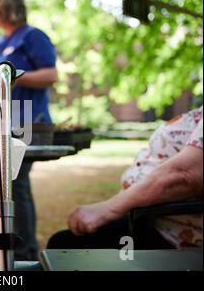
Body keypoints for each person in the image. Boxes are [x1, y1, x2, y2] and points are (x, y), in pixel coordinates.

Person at [0, 0, 58, 260]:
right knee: (6, 183)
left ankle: (24, 253)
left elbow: (50, 75)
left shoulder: (33, 37)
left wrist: (13, 77)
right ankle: (11, 251)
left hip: (27, 121)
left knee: (16, 183)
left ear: (6, 6)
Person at [48, 107, 203, 250]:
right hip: (148, 220)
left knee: (64, 246)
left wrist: (108, 209)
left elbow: (185, 175)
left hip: (168, 234)